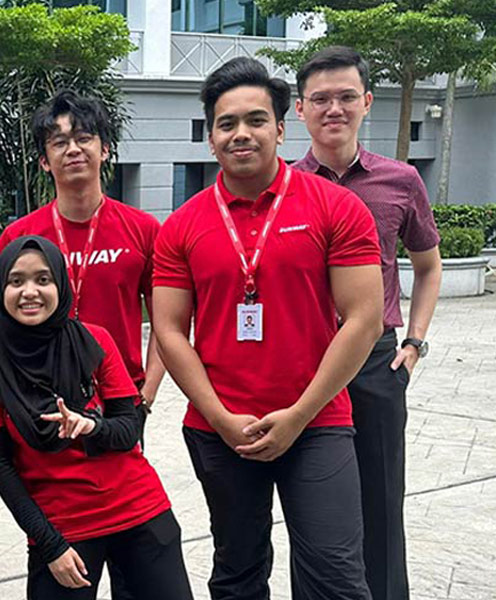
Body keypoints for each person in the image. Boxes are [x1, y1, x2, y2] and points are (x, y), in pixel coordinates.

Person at [152, 56, 384, 599]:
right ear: (210, 137)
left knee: (336, 577)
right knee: (237, 572)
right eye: (226, 123)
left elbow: (364, 319)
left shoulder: (337, 207)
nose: (241, 134)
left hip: (318, 422)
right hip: (220, 429)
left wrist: (300, 414)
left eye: (256, 120)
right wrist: (222, 418)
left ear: (281, 128)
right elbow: (168, 331)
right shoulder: (183, 225)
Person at [291, 46, 443, 600]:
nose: (334, 108)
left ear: (367, 103)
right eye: (321, 99)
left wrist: (415, 343)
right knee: (312, 506)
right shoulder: (281, 188)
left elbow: (428, 268)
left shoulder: (400, 181)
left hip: (376, 364)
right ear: (301, 109)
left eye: (346, 97)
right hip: (304, 361)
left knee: (380, 504)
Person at [0, 236, 192, 600]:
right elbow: (0, 467)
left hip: (139, 511)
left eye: (43, 279)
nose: (30, 292)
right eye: (16, 281)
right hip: (62, 528)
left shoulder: (94, 340)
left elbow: (128, 428)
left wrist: (92, 425)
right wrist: (49, 545)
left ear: (61, 284)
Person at [0, 91, 165, 415]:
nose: (73, 149)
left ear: (104, 149)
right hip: (42, 398)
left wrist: (147, 393)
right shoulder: (19, 238)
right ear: (44, 161)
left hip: (122, 398)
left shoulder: (143, 230)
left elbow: (166, 321)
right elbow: (6, 327)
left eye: (83, 138)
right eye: (59, 142)